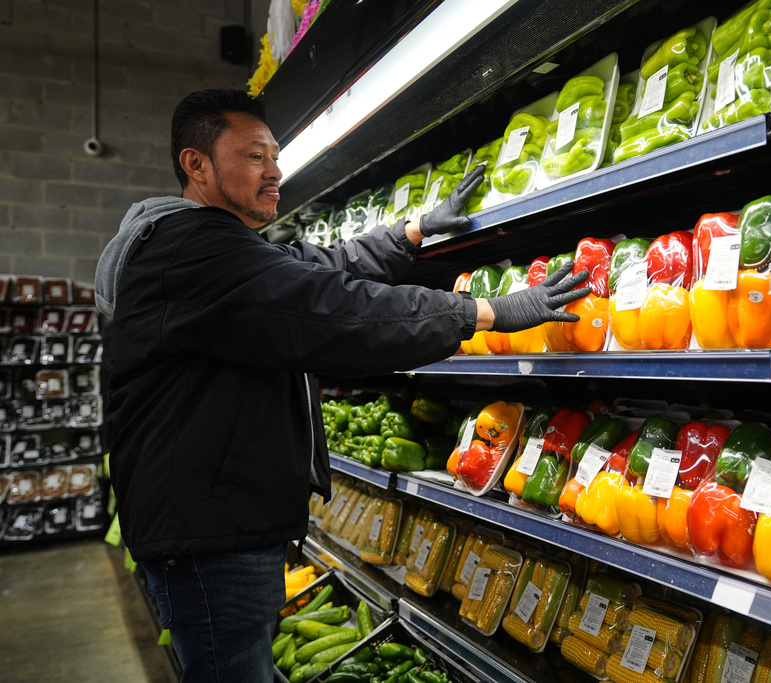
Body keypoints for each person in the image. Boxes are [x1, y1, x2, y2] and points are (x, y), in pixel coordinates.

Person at [95, 88, 589, 682]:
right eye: (254, 156)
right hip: (208, 538)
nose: (275, 171)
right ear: (195, 165)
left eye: (274, 155)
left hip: (212, 524)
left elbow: (316, 265)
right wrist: (482, 312)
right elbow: (328, 305)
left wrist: (410, 231)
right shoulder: (191, 249)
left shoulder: (209, 246)